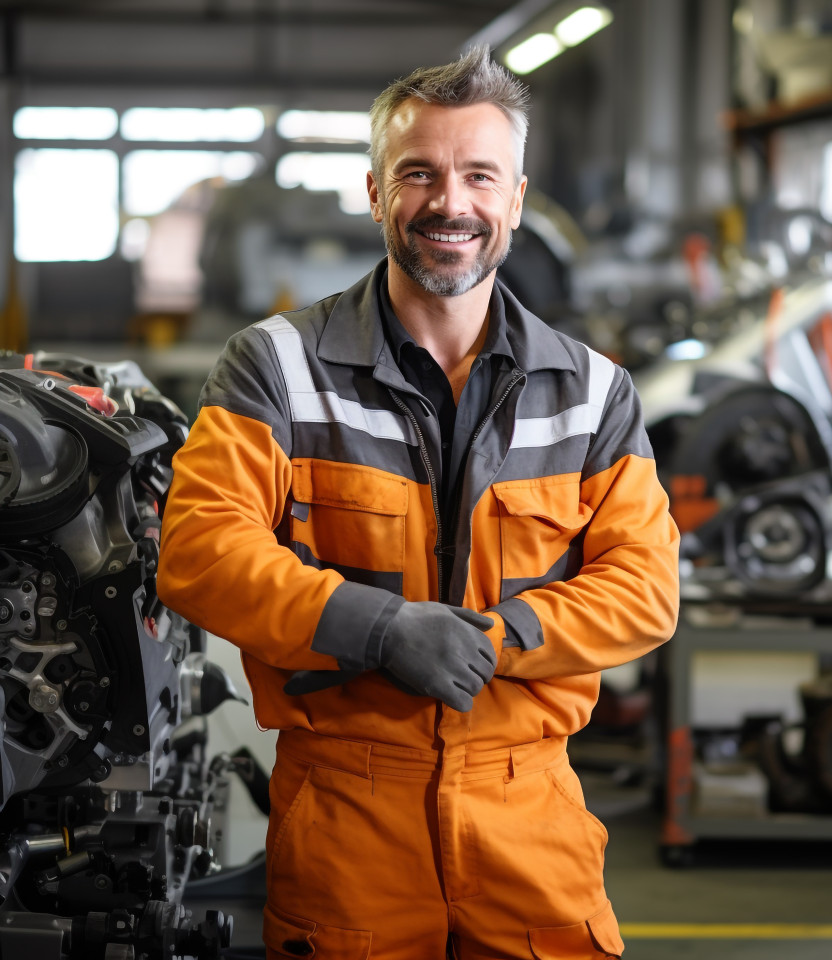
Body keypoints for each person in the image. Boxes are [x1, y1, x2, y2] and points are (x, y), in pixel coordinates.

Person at [157, 45, 680, 960]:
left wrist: (500, 639)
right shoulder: (275, 367)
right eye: (419, 174)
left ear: (516, 199)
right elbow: (203, 551)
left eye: (480, 175)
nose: (451, 203)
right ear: (375, 193)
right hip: (347, 818)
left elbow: (645, 589)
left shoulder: (593, 393)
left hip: (530, 815)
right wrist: (380, 628)